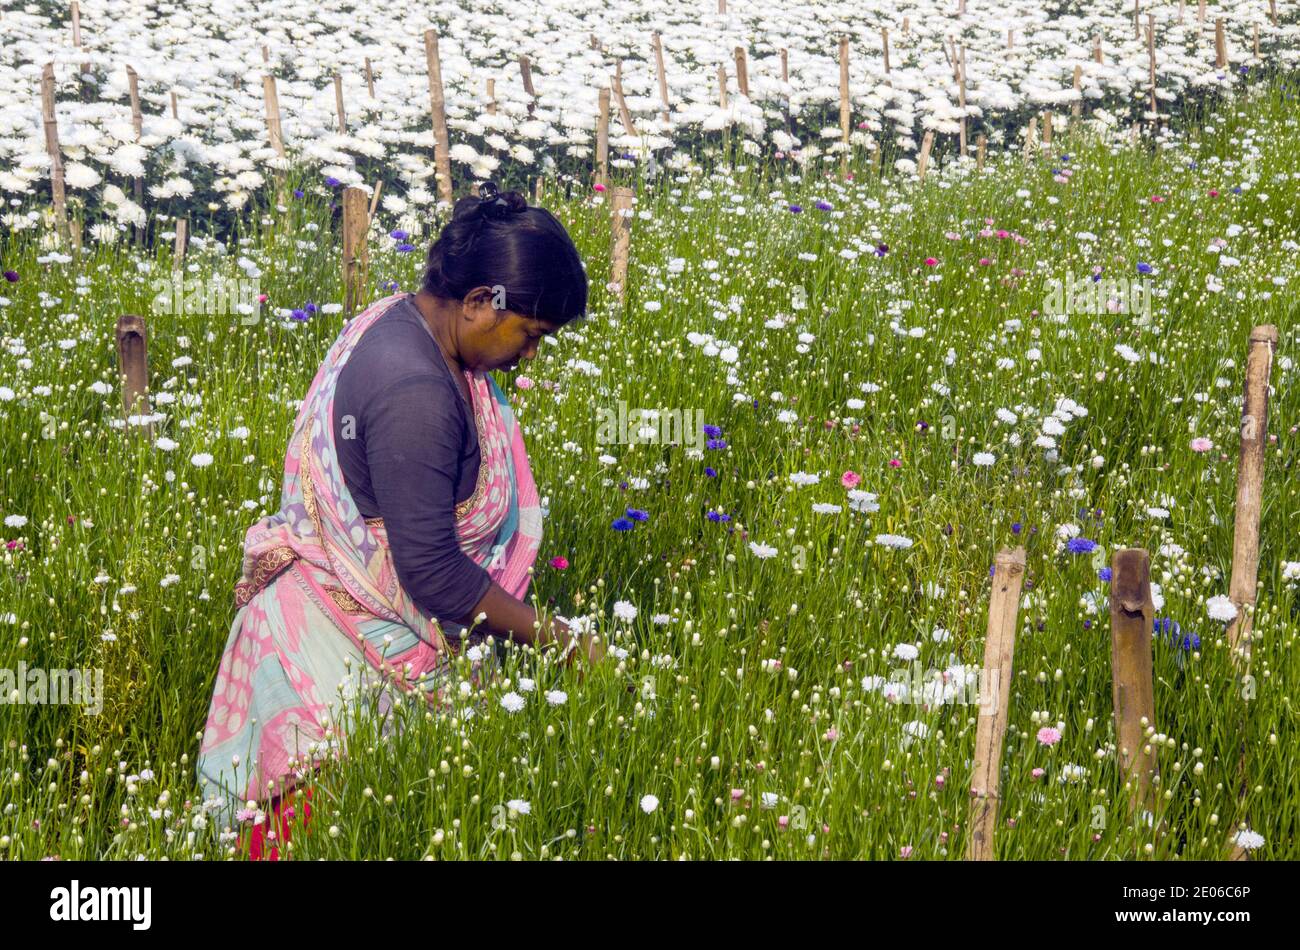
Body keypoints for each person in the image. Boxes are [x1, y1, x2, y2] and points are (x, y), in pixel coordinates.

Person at [197, 183, 602, 859]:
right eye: (530, 335)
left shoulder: (406, 321)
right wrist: (564, 642)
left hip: (335, 638)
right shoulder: (414, 394)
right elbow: (433, 572)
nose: (531, 356)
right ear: (479, 303)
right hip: (338, 672)